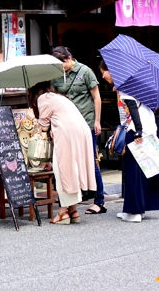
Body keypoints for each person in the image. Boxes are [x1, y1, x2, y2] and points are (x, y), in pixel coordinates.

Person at [100, 62, 159, 223]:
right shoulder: (137, 83)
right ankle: (138, 209)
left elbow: (132, 107)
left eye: (103, 72)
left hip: (137, 131)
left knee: (133, 171)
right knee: (145, 170)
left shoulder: (125, 85)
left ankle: (134, 212)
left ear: (111, 70)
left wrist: (138, 131)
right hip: (149, 128)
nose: (103, 76)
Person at [28, 81, 96, 224]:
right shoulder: (58, 97)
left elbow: (44, 126)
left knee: (63, 170)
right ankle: (73, 210)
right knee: (72, 170)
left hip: (67, 134)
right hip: (81, 131)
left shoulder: (43, 98)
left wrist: (31, 117)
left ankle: (63, 212)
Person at [50, 45, 107, 215]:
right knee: (68, 162)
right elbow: (54, 100)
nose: (61, 68)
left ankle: (99, 201)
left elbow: (97, 97)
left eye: (62, 64)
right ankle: (73, 202)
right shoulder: (56, 75)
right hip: (66, 125)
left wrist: (97, 121)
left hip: (85, 123)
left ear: (69, 58)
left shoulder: (86, 72)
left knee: (90, 160)